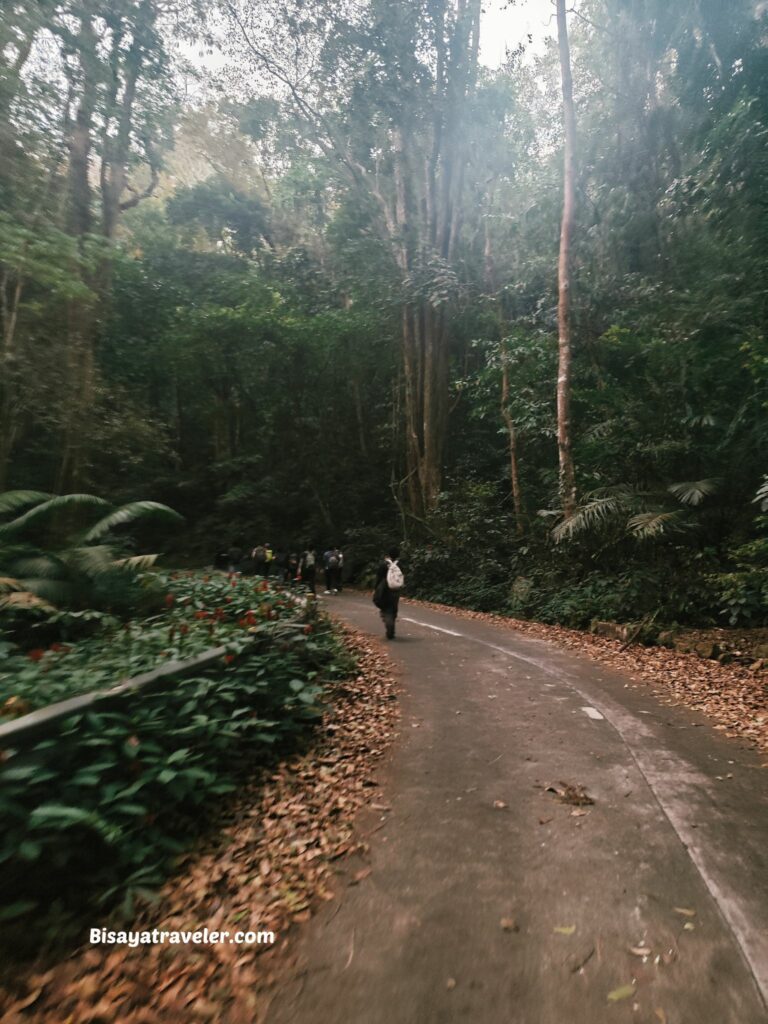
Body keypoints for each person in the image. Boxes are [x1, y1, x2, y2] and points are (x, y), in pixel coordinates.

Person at [373, 546, 404, 640]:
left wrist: (376, 588)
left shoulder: (383, 564)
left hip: (384, 589)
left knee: (384, 606)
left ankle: (387, 621)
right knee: (393, 607)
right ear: (398, 555)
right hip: (395, 590)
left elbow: (378, 577)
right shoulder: (400, 565)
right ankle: (391, 627)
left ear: (389, 554)